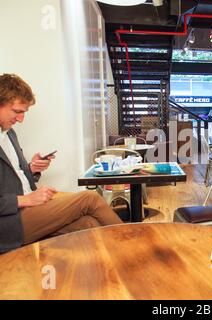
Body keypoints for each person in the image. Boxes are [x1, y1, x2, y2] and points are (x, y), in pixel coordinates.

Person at [0, 74, 123, 253]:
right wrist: (25, 199)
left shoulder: (8, 133)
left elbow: (13, 174)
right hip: (10, 222)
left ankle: (117, 265)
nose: (20, 119)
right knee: (90, 199)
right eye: (17, 111)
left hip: (28, 208)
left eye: (23, 113)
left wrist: (31, 168)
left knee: (90, 224)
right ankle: (137, 242)